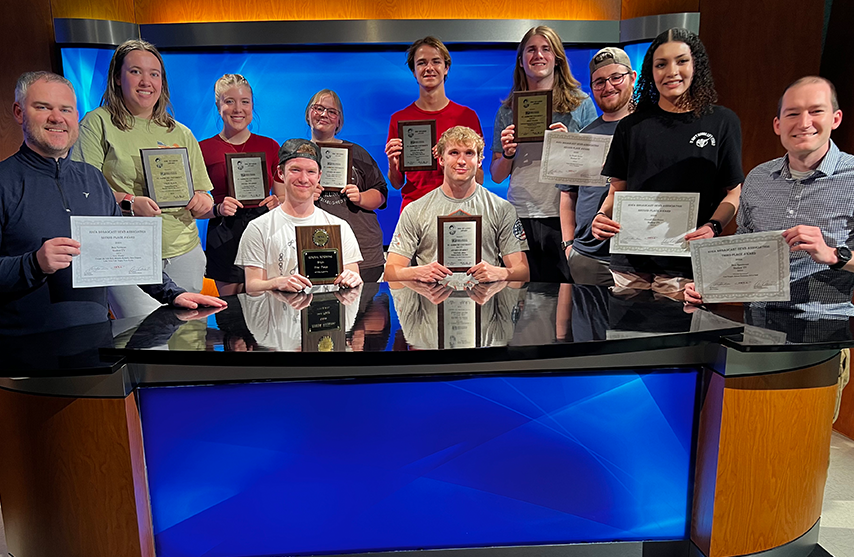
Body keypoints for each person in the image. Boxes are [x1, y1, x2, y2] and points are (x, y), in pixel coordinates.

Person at [0, 71, 225, 335]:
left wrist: (173, 294)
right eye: (43, 107)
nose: (57, 118)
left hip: (98, 347)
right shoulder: (5, 182)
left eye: (66, 109)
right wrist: (34, 263)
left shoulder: (92, 179)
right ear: (18, 112)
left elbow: (128, 253)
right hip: (26, 355)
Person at [592, 28, 743, 300]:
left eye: (681, 61)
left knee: (677, 338)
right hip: (630, 263)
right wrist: (601, 217)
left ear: (696, 65)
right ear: (651, 71)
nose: (671, 71)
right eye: (661, 64)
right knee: (625, 338)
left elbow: (733, 191)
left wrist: (713, 226)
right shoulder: (631, 126)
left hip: (684, 263)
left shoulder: (722, 122)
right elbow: (617, 189)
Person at [685, 76, 854, 314]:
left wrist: (833, 254)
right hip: (756, 325)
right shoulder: (758, 178)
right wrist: (709, 285)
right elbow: (745, 252)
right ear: (778, 125)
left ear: (835, 119)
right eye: (792, 114)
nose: (804, 123)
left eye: (816, 111)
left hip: (822, 330)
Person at [73, 39, 215, 318]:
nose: (146, 81)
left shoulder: (181, 133)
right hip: (126, 251)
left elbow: (207, 202)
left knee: (185, 342)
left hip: (184, 250)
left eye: (154, 74)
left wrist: (201, 201)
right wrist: (128, 202)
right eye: (135, 71)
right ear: (117, 78)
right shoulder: (97, 123)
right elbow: (82, 191)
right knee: (147, 344)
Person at [492, 26, 598, 283]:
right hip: (520, 213)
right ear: (521, 60)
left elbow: (596, 170)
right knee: (523, 298)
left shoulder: (580, 104)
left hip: (563, 215)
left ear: (557, 58)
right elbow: (496, 175)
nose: (538, 55)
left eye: (545, 49)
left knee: (564, 298)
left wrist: (567, 146)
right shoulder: (507, 110)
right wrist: (507, 154)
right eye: (531, 49)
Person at [384, 126, 529, 283]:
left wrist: (500, 273)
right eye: (454, 153)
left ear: (479, 161)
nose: (461, 161)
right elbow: (390, 273)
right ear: (441, 159)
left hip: (485, 304)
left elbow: (523, 273)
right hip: (431, 303)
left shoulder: (502, 209)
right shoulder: (415, 211)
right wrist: (417, 273)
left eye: (469, 153)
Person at [235, 139, 363, 293]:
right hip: (279, 314)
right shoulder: (259, 227)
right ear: (281, 173)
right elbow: (252, 286)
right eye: (295, 170)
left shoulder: (339, 226)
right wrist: (277, 282)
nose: (303, 179)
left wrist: (353, 278)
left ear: (319, 176)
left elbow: (353, 274)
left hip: (327, 313)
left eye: (311, 172)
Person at [557, 47, 637, 286]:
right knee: (587, 324)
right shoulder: (584, 135)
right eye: (599, 82)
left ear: (632, 77)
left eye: (616, 77)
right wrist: (569, 246)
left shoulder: (650, 130)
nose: (608, 86)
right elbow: (567, 195)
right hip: (588, 259)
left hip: (637, 260)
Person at [199, 74, 284, 296]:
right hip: (224, 233)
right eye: (229, 101)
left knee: (268, 309)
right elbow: (194, 207)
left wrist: (277, 201)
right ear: (218, 106)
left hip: (264, 230)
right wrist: (217, 208)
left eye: (244, 101)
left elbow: (283, 198)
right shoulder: (203, 149)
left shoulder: (270, 146)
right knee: (231, 317)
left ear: (252, 105)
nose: (238, 109)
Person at [385, 36, 483, 212]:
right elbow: (397, 183)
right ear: (414, 71)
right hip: (415, 210)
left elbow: (480, 179)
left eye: (436, 62)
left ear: (446, 68)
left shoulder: (467, 116)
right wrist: (393, 164)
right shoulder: (399, 119)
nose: (429, 68)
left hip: (459, 209)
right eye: (422, 63)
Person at [307, 89, 388, 282]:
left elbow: (381, 194)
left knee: (368, 309)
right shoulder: (296, 154)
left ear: (339, 120)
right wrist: (305, 197)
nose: (324, 114)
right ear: (308, 113)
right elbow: (283, 201)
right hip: (316, 251)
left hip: (363, 251)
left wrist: (360, 197)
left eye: (331, 111)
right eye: (318, 108)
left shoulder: (358, 153)